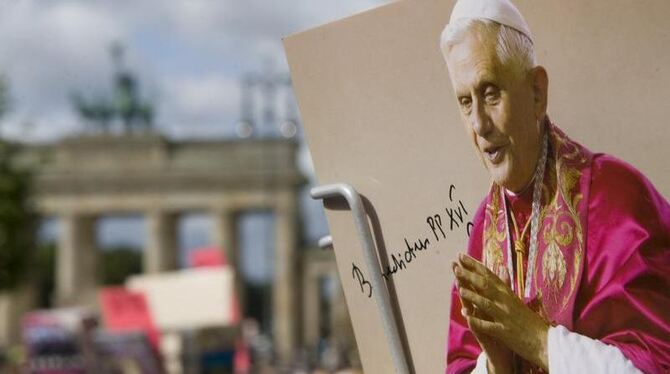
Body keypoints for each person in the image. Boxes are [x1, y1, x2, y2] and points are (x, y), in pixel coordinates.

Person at [439, 0, 670, 373]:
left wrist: (533, 338)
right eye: (466, 102)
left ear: (536, 93)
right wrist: (497, 364)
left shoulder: (617, 199)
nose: (479, 124)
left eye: (491, 92)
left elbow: (658, 362)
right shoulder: (483, 231)